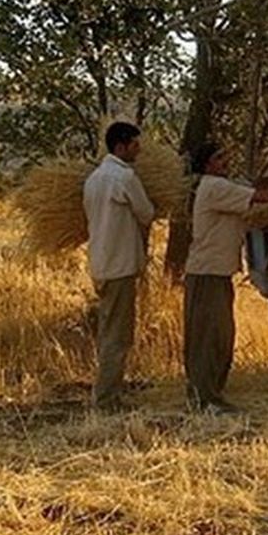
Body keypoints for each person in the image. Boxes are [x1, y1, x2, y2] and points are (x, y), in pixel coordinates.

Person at [183, 141, 268, 414]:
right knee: (212, 336)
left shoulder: (216, 187)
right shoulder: (215, 187)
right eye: (219, 158)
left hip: (212, 271)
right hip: (208, 273)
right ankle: (207, 398)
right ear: (207, 165)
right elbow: (262, 197)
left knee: (212, 335)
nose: (225, 162)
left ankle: (204, 394)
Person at [82, 121, 154, 412]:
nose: (139, 150)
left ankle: (107, 395)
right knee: (117, 336)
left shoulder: (94, 179)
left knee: (109, 332)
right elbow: (146, 213)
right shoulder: (124, 178)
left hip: (101, 263)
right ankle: (107, 401)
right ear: (121, 146)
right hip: (120, 265)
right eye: (135, 145)